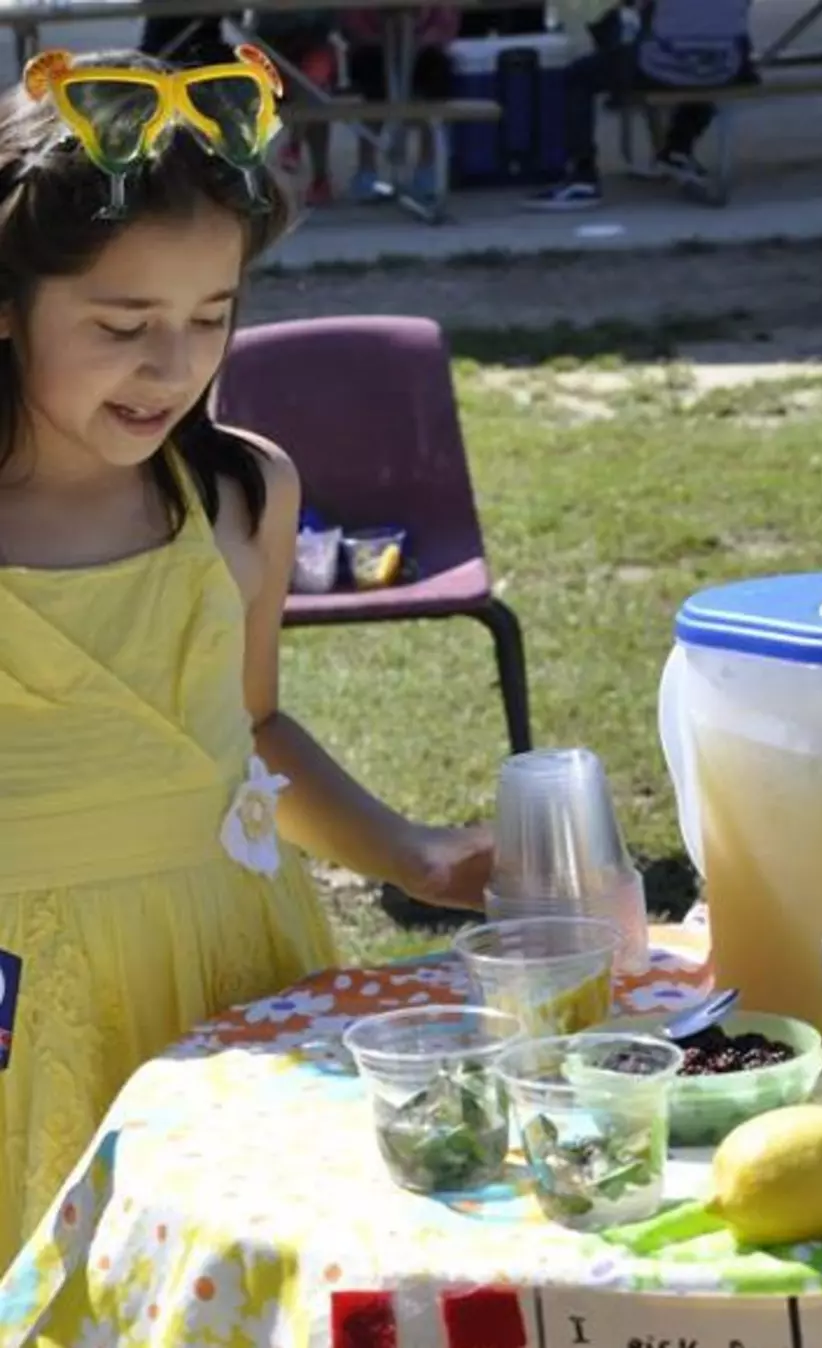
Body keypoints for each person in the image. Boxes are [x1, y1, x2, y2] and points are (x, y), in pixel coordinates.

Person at [0, 46, 493, 1269]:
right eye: (122, 326)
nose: (171, 367)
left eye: (209, 319)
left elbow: (253, 730)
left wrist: (417, 854)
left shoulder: (241, 492)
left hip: (232, 967)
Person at [530, 0, 755, 208]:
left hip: (661, 64)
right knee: (708, 59)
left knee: (578, 76)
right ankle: (679, 146)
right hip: (723, 67)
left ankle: (582, 175)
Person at [343, 6, 459, 202]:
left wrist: (420, 42)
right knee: (372, 79)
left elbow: (447, 21)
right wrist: (384, 41)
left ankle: (425, 169)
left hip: (423, 46)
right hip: (374, 45)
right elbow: (350, 22)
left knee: (436, 70)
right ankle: (367, 171)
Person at [253, 12, 339, 207]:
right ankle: (292, 146)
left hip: (314, 40)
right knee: (249, 88)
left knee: (313, 89)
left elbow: (334, 17)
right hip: (269, 42)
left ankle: (319, 177)